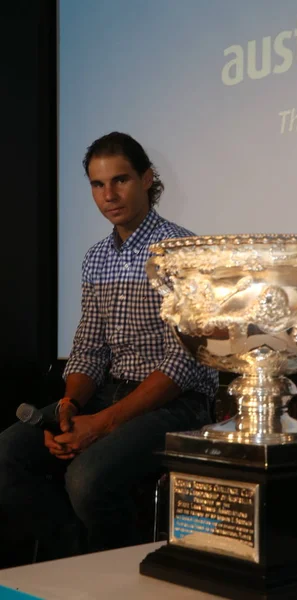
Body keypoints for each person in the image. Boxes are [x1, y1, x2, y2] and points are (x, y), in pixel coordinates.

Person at [0, 132, 218, 561]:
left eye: (120, 180)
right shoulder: (96, 257)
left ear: (147, 179)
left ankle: (117, 575)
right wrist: (69, 406)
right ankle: (79, 562)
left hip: (177, 405)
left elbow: (183, 365)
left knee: (86, 478)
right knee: (7, 453)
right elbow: (88, 350)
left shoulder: (185, 253)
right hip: (107, 394)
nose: (109, 195)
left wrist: (102, 423)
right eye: (97, 185)